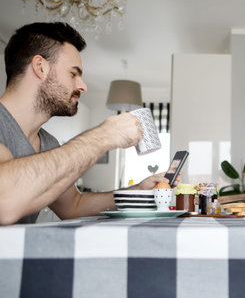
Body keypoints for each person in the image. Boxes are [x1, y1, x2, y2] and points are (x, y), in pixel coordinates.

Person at [0, 22, 178, 225]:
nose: (82, 86)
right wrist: (104, 135)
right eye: (73, 74)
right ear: (40, 67)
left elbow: (74, 206)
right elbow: (5, 201)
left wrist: (137, 190)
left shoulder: (47, 142)